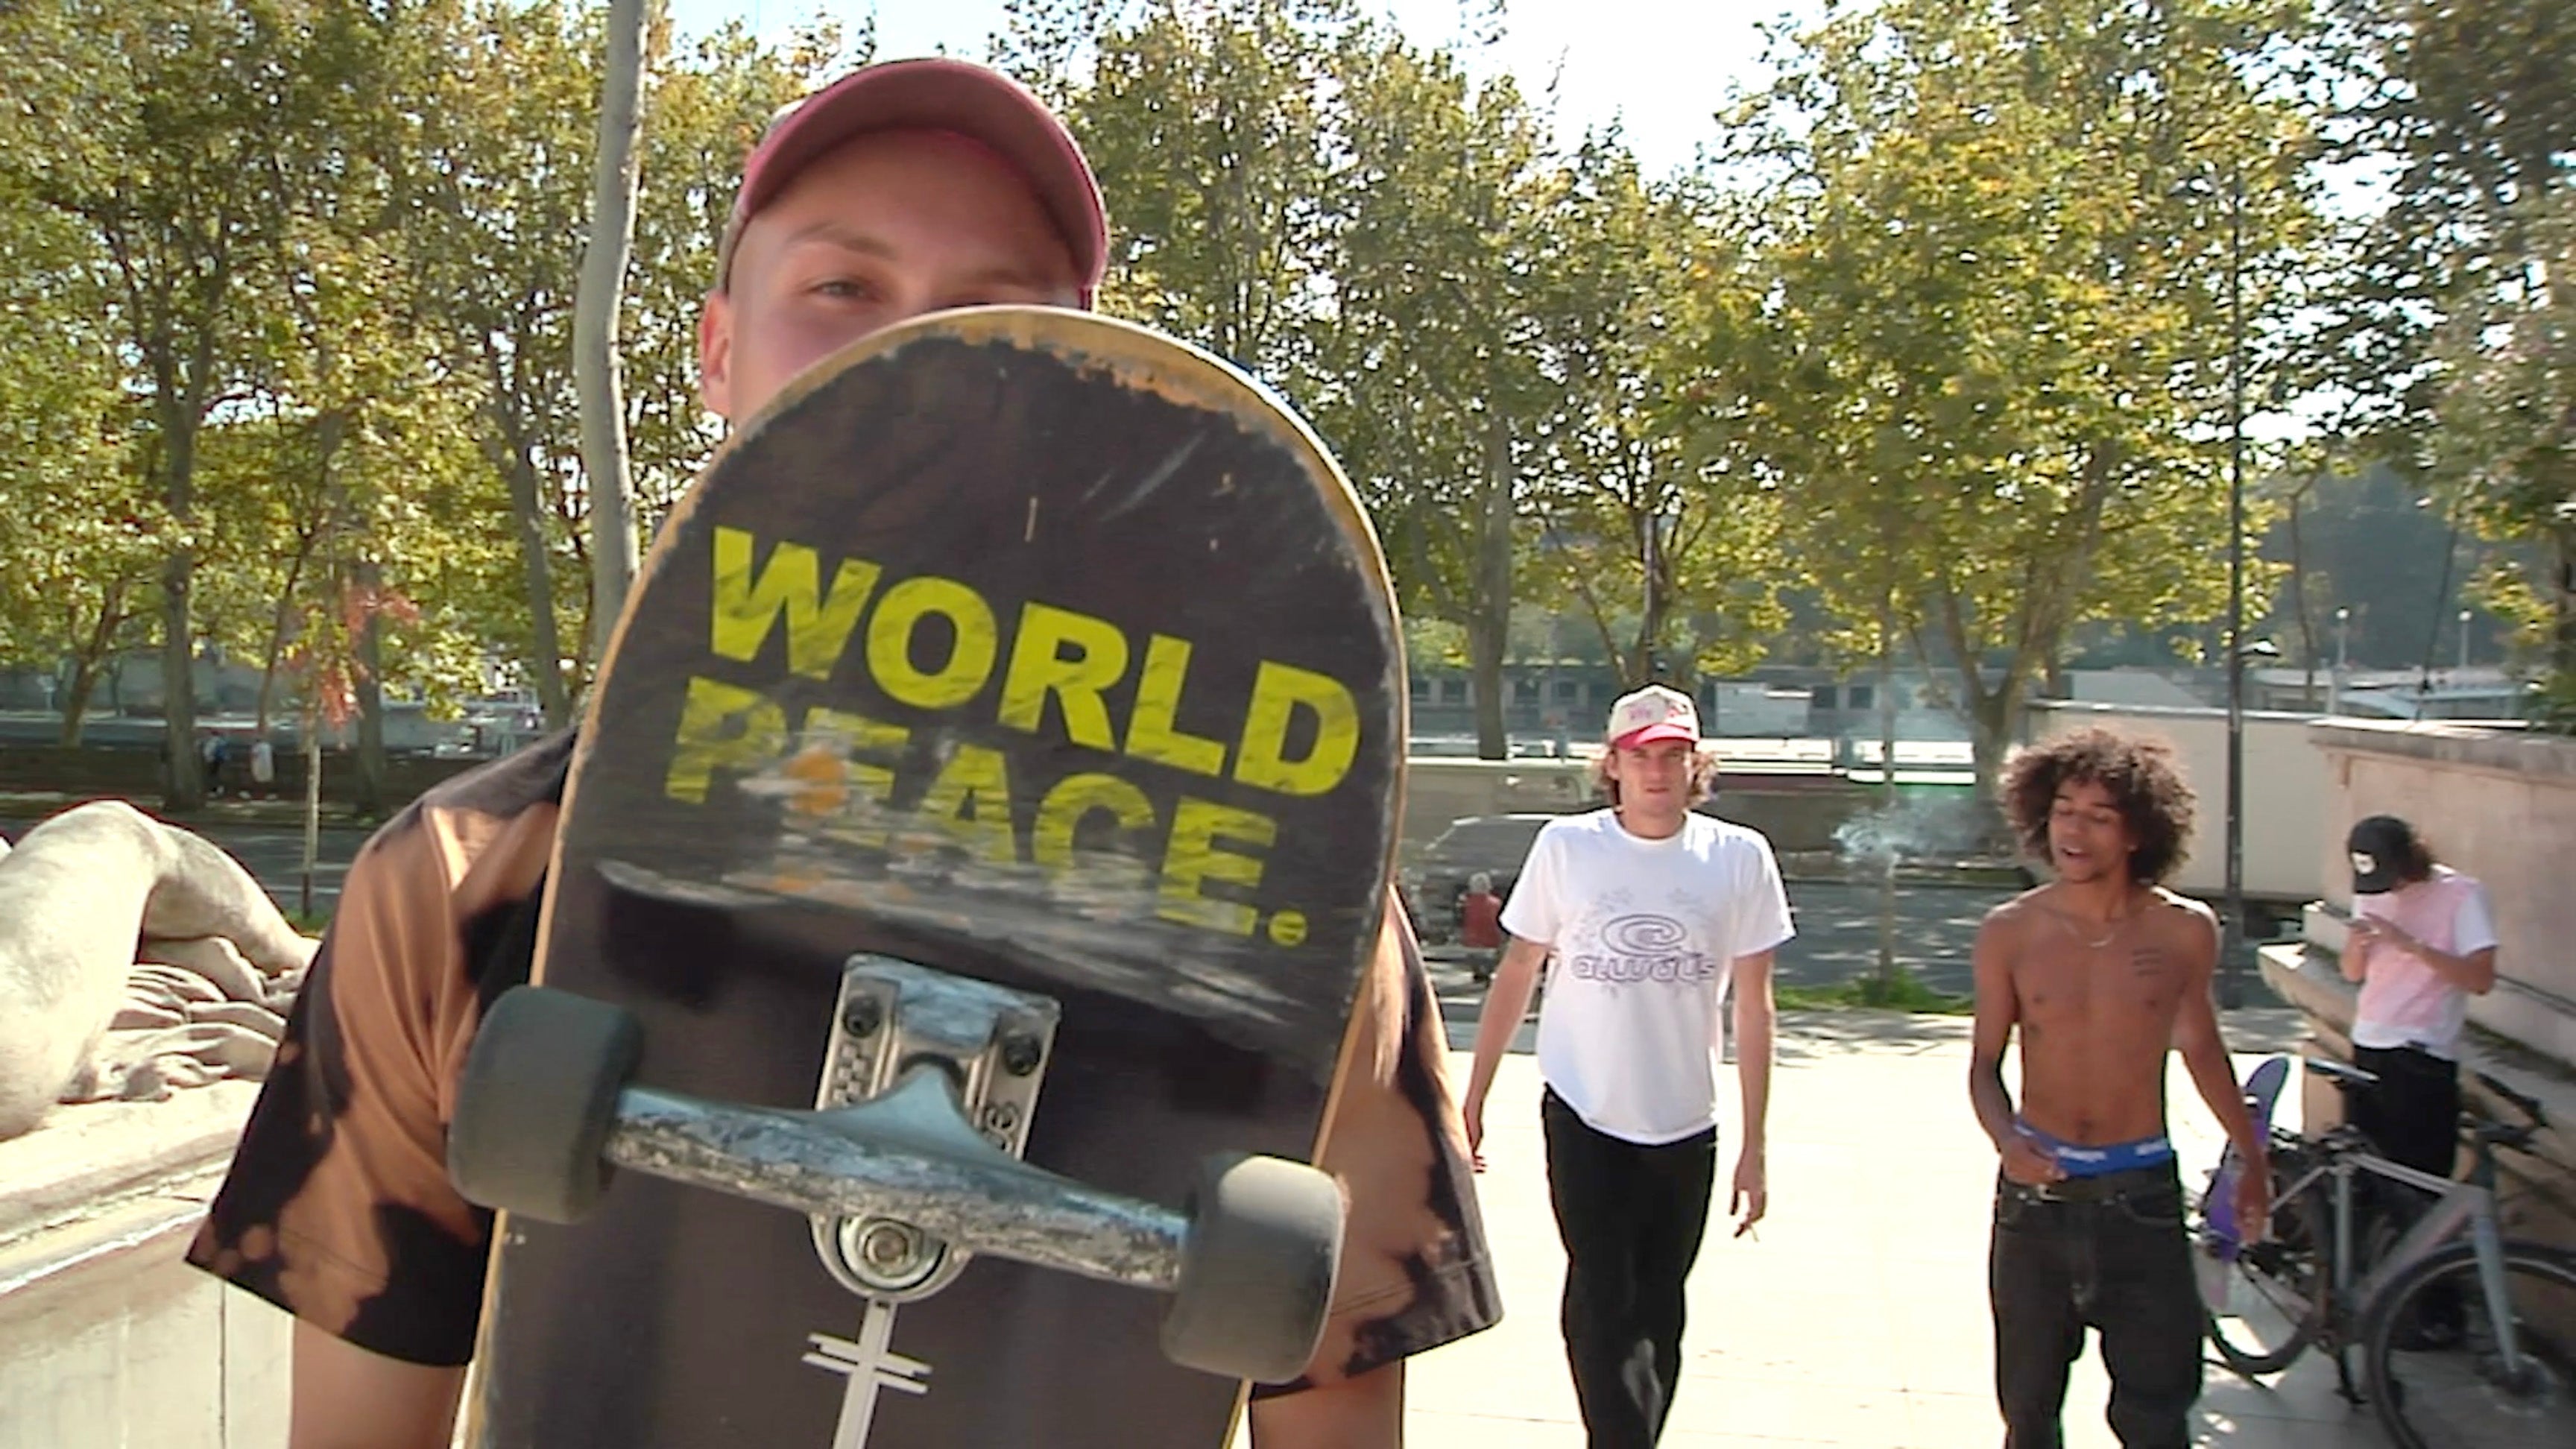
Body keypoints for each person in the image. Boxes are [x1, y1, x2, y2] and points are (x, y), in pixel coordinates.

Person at [183, 57, 1496, 1449]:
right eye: (843, 288)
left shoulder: (1286, 931)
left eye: (997, 312)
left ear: (1091, 401)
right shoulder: (465, 886)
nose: (918, 359)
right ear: (717, 352)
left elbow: (1333, 1404)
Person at [1460, 684, 1790, 1448]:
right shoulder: (1568, 848)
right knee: (1601, 1293)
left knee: (1660, 1305)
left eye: (1674, 756)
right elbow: (1518, 971)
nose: (1657, 772)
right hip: (1584, 1107)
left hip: (1686, 1118)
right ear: (1612, 765)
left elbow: (1755, 1006)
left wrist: (1755, 1146)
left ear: (1697, 765)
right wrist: (1472, 1099)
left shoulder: (1738, 858)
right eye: (1641, 757)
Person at [1969, 727, 2270, 1449]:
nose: (2074, 831)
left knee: (2156, 1415)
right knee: (2029, 1412)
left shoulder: (2184, 930)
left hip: (2141, 1200)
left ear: (2137, 832)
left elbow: (2201, 1047)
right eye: (2064, 811)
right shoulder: (2010, 931)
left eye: (2099, 817)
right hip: (2036, 1207)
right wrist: (2007, 1141)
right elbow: (1983, 1065)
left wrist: (2252, 1158)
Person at [2337, 814, 2496, 1187]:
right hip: (2367, 1041)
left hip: (2421, 1051)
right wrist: (2357, 945)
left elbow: (2481, 980)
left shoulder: (2462, 895)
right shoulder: (2372, 891)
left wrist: (2411, 946)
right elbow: (2352, 973)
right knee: (2364, 1177)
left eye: (2392, 877)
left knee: (2419, 1179)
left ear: (2412, 859)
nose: (2389, 889)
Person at [1459, 870, 1503, 985]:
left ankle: (1479, 972)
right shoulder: (1496, 904)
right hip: (1491, 943)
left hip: (1471, 943)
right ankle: (1486, 972)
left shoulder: (1466, 904)